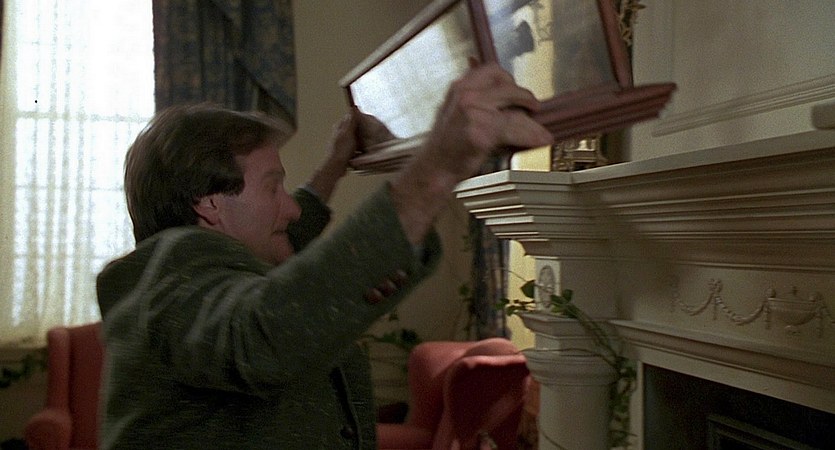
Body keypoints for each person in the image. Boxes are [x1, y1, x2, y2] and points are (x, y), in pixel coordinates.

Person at [95, 63, 552, 449]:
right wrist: (437, 166)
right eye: (273, 186)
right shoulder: (171, 276)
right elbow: (267, 330)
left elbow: (290, 236)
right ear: (209, 203)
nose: (290, 207)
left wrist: (335, 165)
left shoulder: (208, 266)